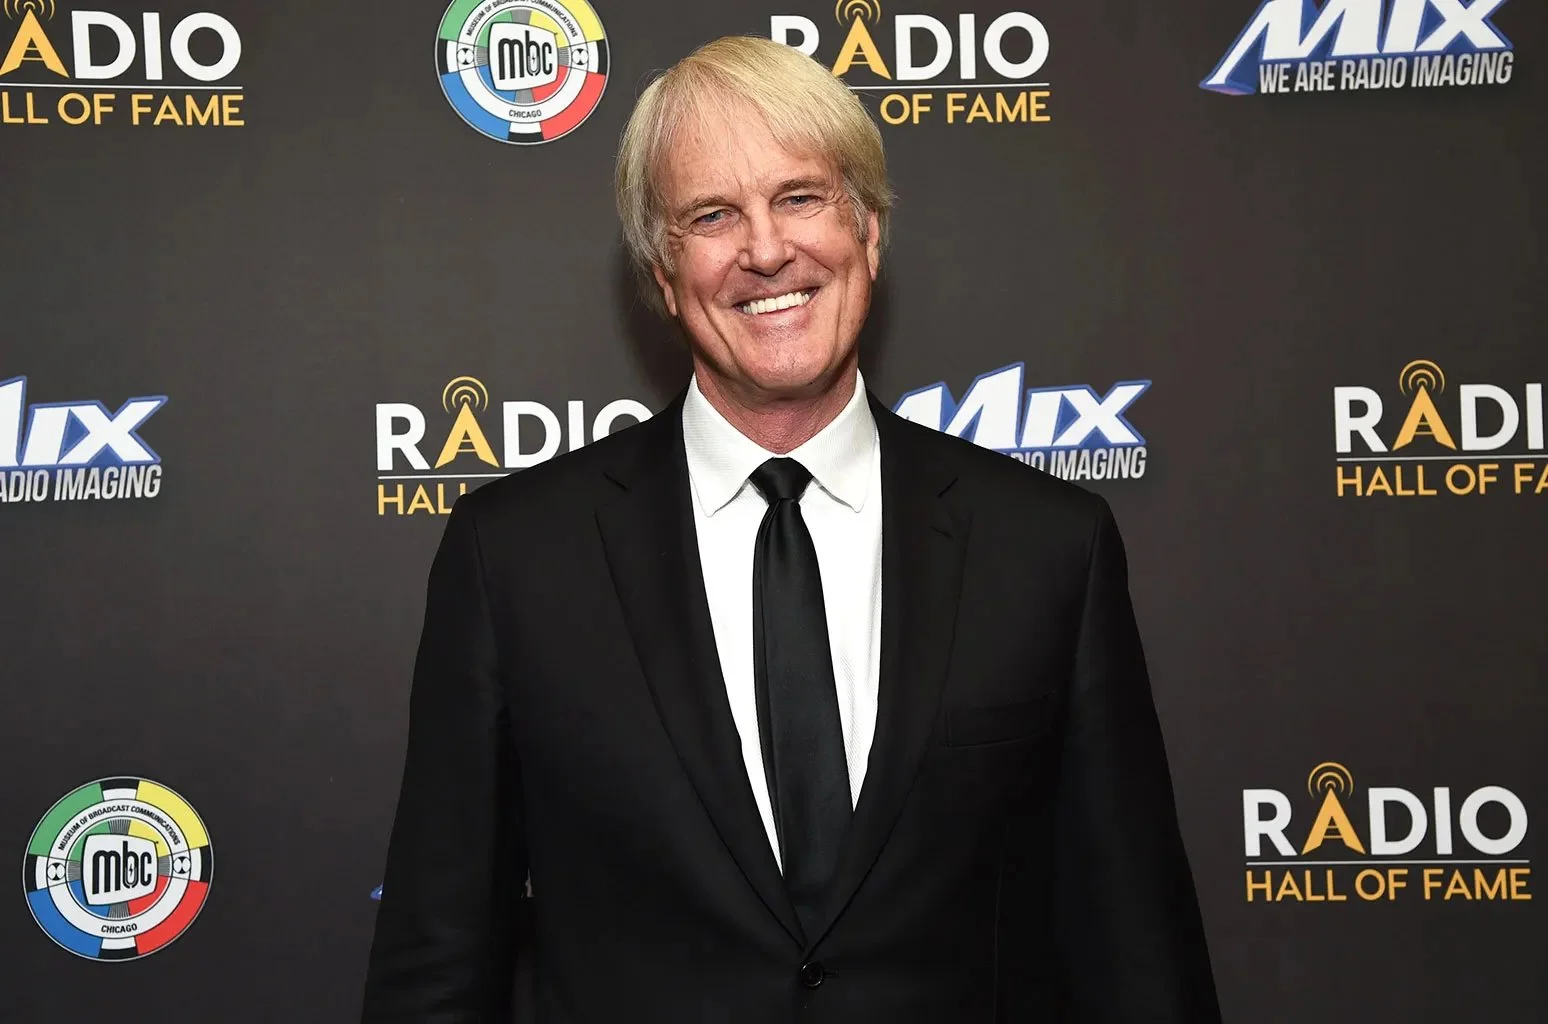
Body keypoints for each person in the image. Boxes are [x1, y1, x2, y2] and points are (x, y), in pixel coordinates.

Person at [361, 35, 1220, 1023]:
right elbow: (436, 960)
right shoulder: (514, 557)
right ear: (661, 269)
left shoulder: (1047, 549)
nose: (766, 249)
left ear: (869, 230)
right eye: (712, 215)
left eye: (802, 197)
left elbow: (1138, 955)